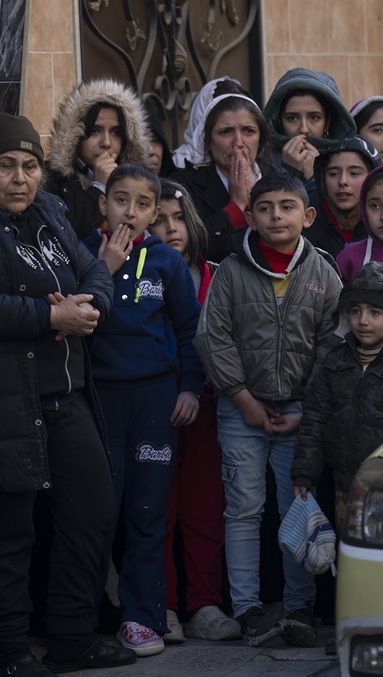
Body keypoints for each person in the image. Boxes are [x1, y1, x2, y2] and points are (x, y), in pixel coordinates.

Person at [0, 114, 133, 677]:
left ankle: (70, 637)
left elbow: (95, 271)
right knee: (8, 533)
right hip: (2, 403)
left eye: (30, 166)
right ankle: (13, 654)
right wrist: (52, 316)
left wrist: (88, 307)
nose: (20, 178)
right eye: (6, 166)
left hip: (66, 399)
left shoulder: (50, 214)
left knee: (93, 510)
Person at [194, 170, 343, 649]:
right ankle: (249, 608)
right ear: (251, 217)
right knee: (244, 509)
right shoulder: (233, 271)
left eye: (287, 207)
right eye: (265, 208)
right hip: (243, 412)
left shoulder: (323, 272)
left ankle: (298, 607)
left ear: (308, 215)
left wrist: (309, 411)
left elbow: (332, 346)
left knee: (297, 504)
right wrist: (242, 398)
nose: (276, 216)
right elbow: (211, 337)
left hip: (300, 411)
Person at [81, 165, 204, 658]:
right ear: (103, 204)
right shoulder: (82, 252)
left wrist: (191, 389)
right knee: (97, 512)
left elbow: (191, 330)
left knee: (147, 512)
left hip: (156, 402)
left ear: (155, 212)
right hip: (98, 401)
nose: (129, 212)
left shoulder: (166, 264)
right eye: (120, 200)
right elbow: (75, 309)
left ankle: (141, 617)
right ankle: (82, 619)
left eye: (141, 203)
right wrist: (103, 266)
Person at [150, 181, 240, 644]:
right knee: (157, 510)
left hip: (210, 406)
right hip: (154, 407)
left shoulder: (218, 273)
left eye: (178, 218)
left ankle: (205, 604)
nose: (170, 228)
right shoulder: (138, 274)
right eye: (159, 219)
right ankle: (161, 608)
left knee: (206, 508)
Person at [292, 262, 383, 529]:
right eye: (356, 311)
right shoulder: (335, 361)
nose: (362, 320)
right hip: (343, 485)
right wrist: (304, 474)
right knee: (349, 555)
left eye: (374, 312)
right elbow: (314, 420)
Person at [178, 79, 274, 263]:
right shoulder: (185, 186)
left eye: (248, 131)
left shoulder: (276, 180)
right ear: (208, 141)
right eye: (225, 132)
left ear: (260, 138)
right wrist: (236, 206)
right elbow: (191, 250)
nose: (238, 142)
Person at [44, 79, 153, 238]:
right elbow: (59, 237)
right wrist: (98, 188)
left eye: (116, 132)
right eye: (95, 131)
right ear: (75, 135)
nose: (106, 143)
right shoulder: (50, 180)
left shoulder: (141, 180)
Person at [262, 67, 356, 191]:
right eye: (292, 118)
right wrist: (289, 171)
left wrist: (314, 177)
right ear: (279, 121)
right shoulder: (262, 162)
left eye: (314, 117)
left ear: (327, 122)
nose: (304, 129)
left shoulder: (350, 161)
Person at [303, 136, 380, 259]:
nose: (343, 181)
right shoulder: (305, 219)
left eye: (354, 173)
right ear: (322, 179)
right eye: (333, 174)